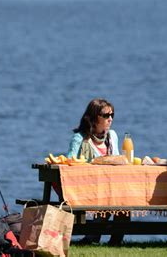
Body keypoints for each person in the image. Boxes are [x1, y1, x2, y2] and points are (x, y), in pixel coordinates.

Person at [67, 98, 123, 245]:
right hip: (87, 187)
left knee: (124, 196)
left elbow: (116, 159)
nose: (110, 119)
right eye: (106, 115)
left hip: (109, 186)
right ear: (93, 117)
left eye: (112, 115)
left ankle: (114, 239)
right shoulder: (80, 138)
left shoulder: (112, 136)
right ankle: (95, 236)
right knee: (116, 196)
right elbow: (68, 162)